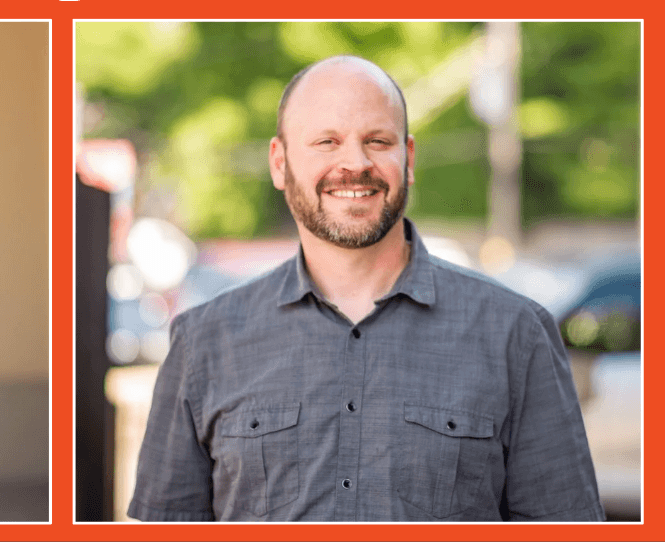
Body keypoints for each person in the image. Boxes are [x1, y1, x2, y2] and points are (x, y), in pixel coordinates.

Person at [127, 55, 604, 522]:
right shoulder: (203, 342)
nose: (354, 163)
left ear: (408, 158)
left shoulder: (516, 334)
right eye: (326, 141)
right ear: (279, 162)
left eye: (377, 141)